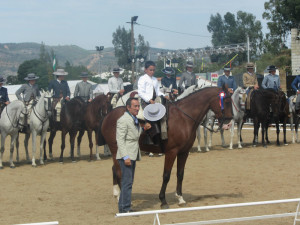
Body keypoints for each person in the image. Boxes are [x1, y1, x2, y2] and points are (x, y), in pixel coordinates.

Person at [116, 97, 151, 213]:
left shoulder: (134, 119)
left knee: (129, 182)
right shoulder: (123, 120)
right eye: (135, 106)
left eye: (138, 106)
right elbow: (120, 140)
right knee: (127, 182)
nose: (137, 108)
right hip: (127, 155)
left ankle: (124, 207)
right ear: (128, 107)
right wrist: (125, 156)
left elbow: (134, 134)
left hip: (133, 153)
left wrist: (143, 129)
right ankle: (124, 208)